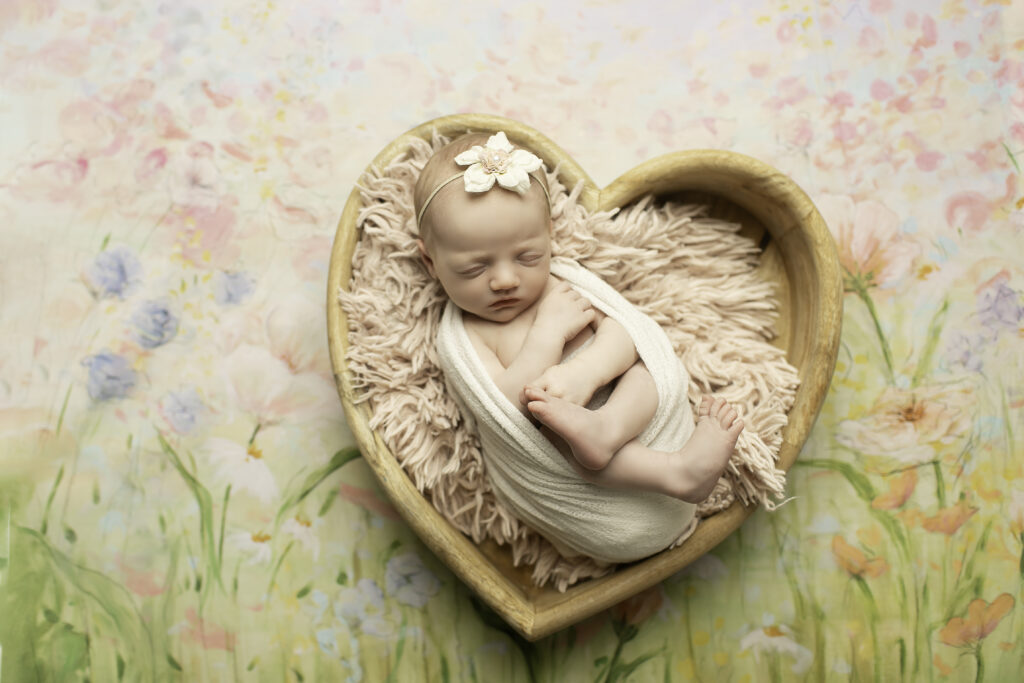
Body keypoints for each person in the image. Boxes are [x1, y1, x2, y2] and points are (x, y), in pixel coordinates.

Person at [414, 131, 743, 504]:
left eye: (528, 257)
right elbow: (503, 411)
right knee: (557, 438)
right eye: (474, 268)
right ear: (431, 262)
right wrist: (546, 336)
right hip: (568, 445)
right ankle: (676, 473)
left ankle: (607, 429)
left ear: (549, 236)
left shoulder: (561, 285)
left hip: (625, 405)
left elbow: (625, 335)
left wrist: (583, 373)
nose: (505, 280)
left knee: (644, 370)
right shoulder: (469, 334)